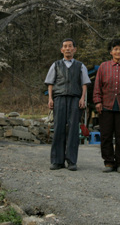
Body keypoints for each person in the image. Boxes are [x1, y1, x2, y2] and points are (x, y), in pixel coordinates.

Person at [44, 38, 90, 171]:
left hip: (75, 99)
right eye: (65, 46)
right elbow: (50, 83)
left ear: (75, 49)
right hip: (59, 99)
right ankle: (57, 161)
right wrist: (50, 99)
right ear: (61, 50)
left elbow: (84, 84)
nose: (68, 48)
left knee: (73, 130)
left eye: (70, 46)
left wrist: (83, 99)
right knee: (58, 128)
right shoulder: (56, 65)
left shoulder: (81, 66)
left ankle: (71, 161)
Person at [93, 39, 120, 173]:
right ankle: (108, 162)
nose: (118, 52)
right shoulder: (103, 67)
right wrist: (97, 101)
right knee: (106, 135)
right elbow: (97, 86)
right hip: (105, 105)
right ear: (111, 52)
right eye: (116, 49)